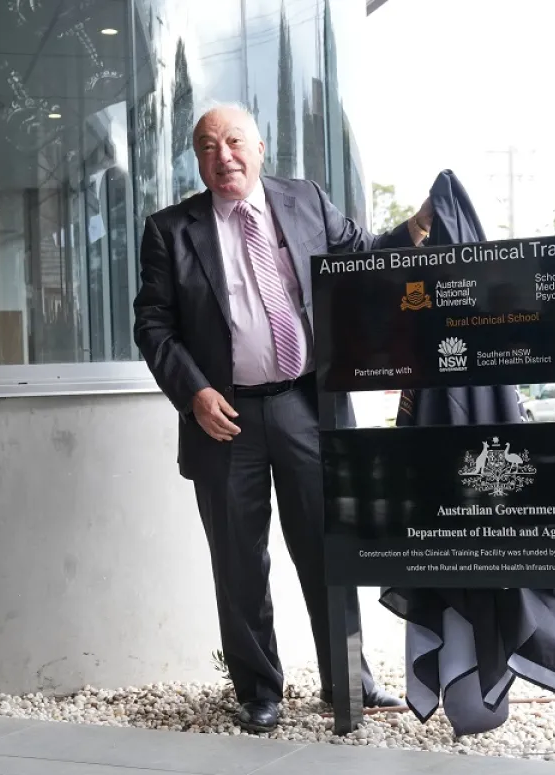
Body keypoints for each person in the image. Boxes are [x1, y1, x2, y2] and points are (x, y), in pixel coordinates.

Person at [133, 102, 432, 734]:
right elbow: (153, 324)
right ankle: (259, 689)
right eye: (209, 147)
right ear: (198, 159)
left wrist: (415, 229)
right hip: (225, 417)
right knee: (240, 561)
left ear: (261, 148)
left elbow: (364, 261)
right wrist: (194, 392)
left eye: (235, 141)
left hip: (307, 405)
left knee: (329, 550)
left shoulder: (307, 203)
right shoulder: (169, 230)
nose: (224, 157)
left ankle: (345, 678)